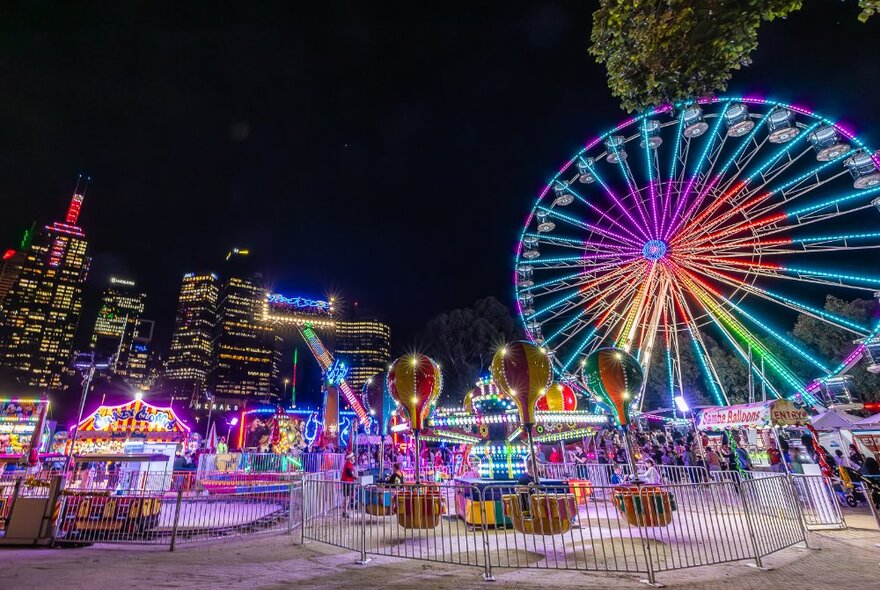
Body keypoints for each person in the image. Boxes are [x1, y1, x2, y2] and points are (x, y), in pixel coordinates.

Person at [340, 452, 357, 518]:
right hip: (347, 482)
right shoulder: (348, 463)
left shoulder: (349, 463)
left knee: (347, 497)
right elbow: (349, 473)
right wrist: (355, 477)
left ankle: (345, 511)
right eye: (353, 456)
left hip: (348, 482)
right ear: (350, 458)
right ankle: (345, 511)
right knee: (347, 497)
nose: (354, 457)